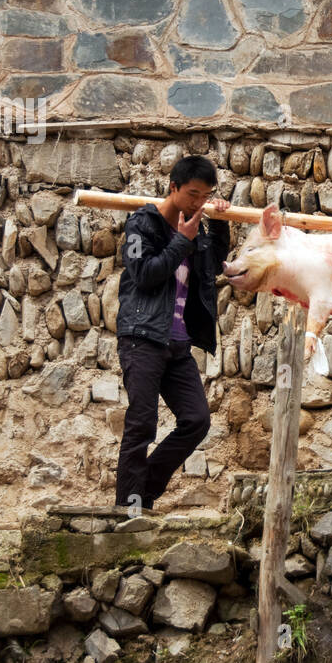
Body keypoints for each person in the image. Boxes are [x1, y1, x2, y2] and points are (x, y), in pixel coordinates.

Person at [114, 155, 231, 511]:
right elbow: (144, 273)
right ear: (173, 187)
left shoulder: (196, 226)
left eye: (206, 196)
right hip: (143, 338)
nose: (199, 202)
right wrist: (181, 241)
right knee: (141, 423)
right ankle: (129, 507)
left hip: (178, 344)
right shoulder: (141, 224)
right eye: (193, 194)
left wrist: (221, 224)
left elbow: (211, 267)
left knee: (196, 420)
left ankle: (143, 491)